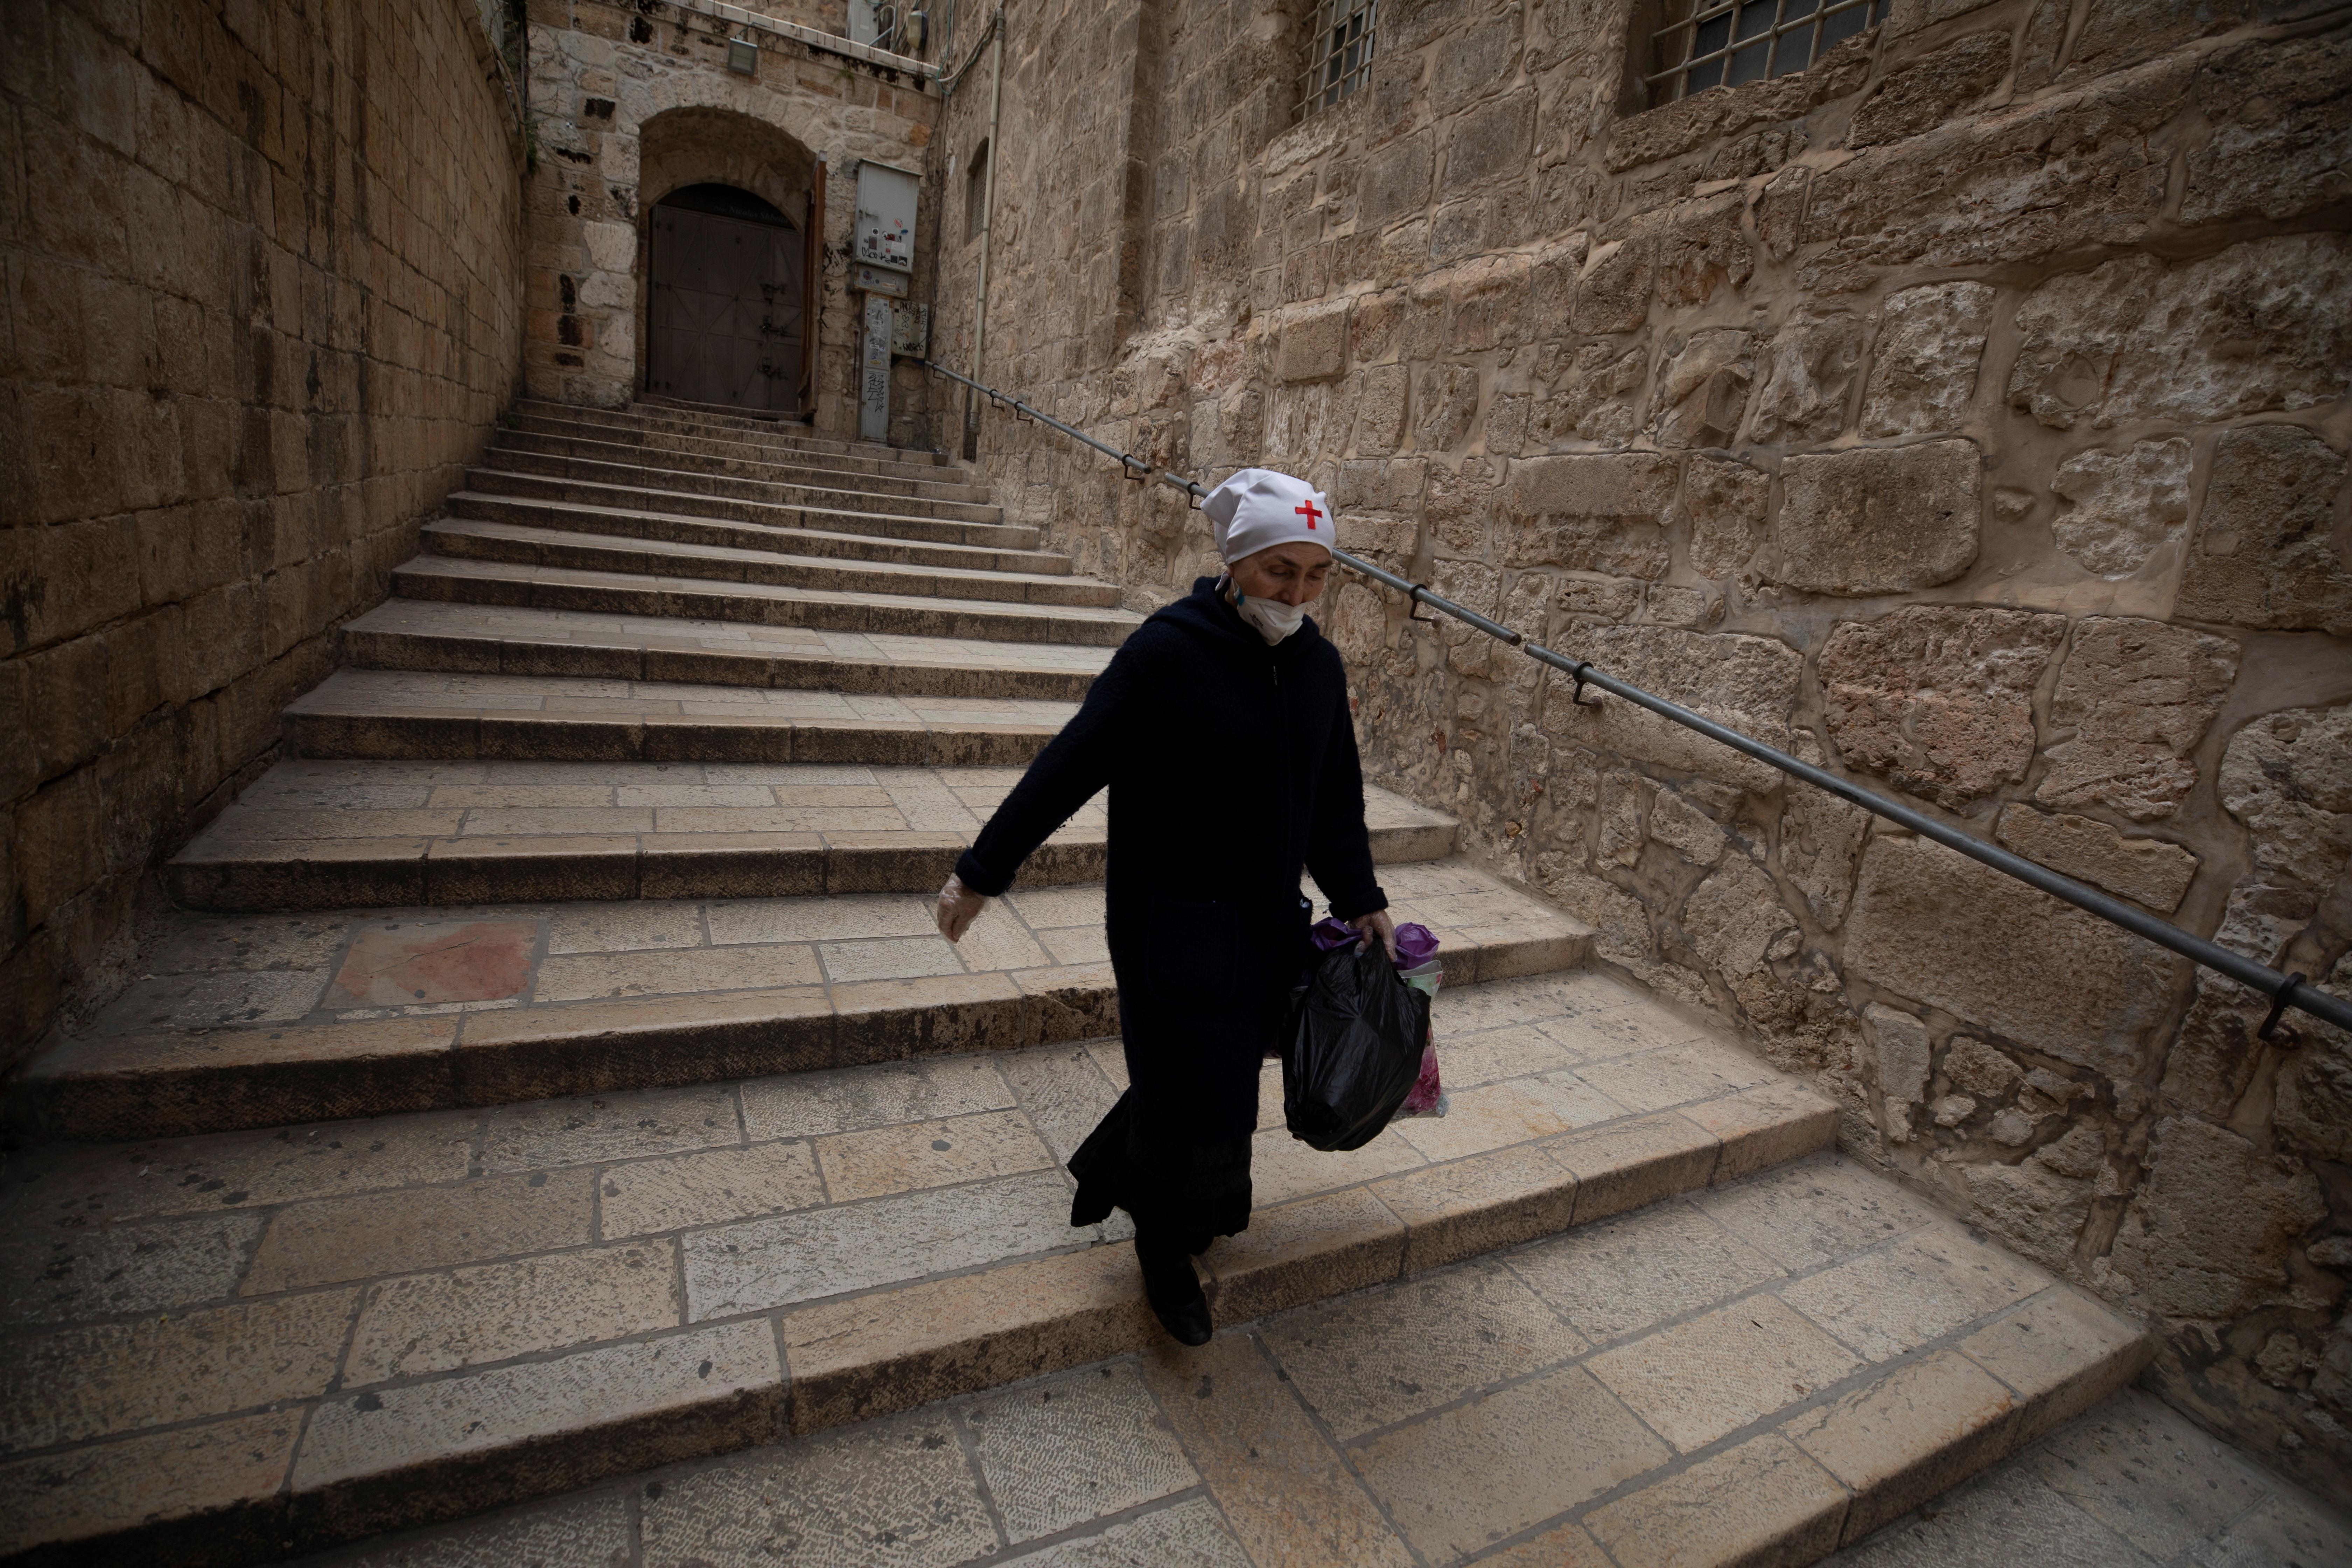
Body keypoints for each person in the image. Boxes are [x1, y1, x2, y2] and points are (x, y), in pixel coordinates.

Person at [934, 467, 1396, 1345]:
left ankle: (1167, 1192)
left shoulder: (1315, 666)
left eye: (1315, 573)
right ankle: (1163, 1246)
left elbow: (1334, 797)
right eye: (1278, 571)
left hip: (1265, 925)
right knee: (1198, 1088)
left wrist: (1361, 895)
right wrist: (980, 873)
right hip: (1169, 923)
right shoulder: (1165, 654)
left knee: (1213, 1081)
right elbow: (1068, 766)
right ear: (1235, 561)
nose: (1297, 592)